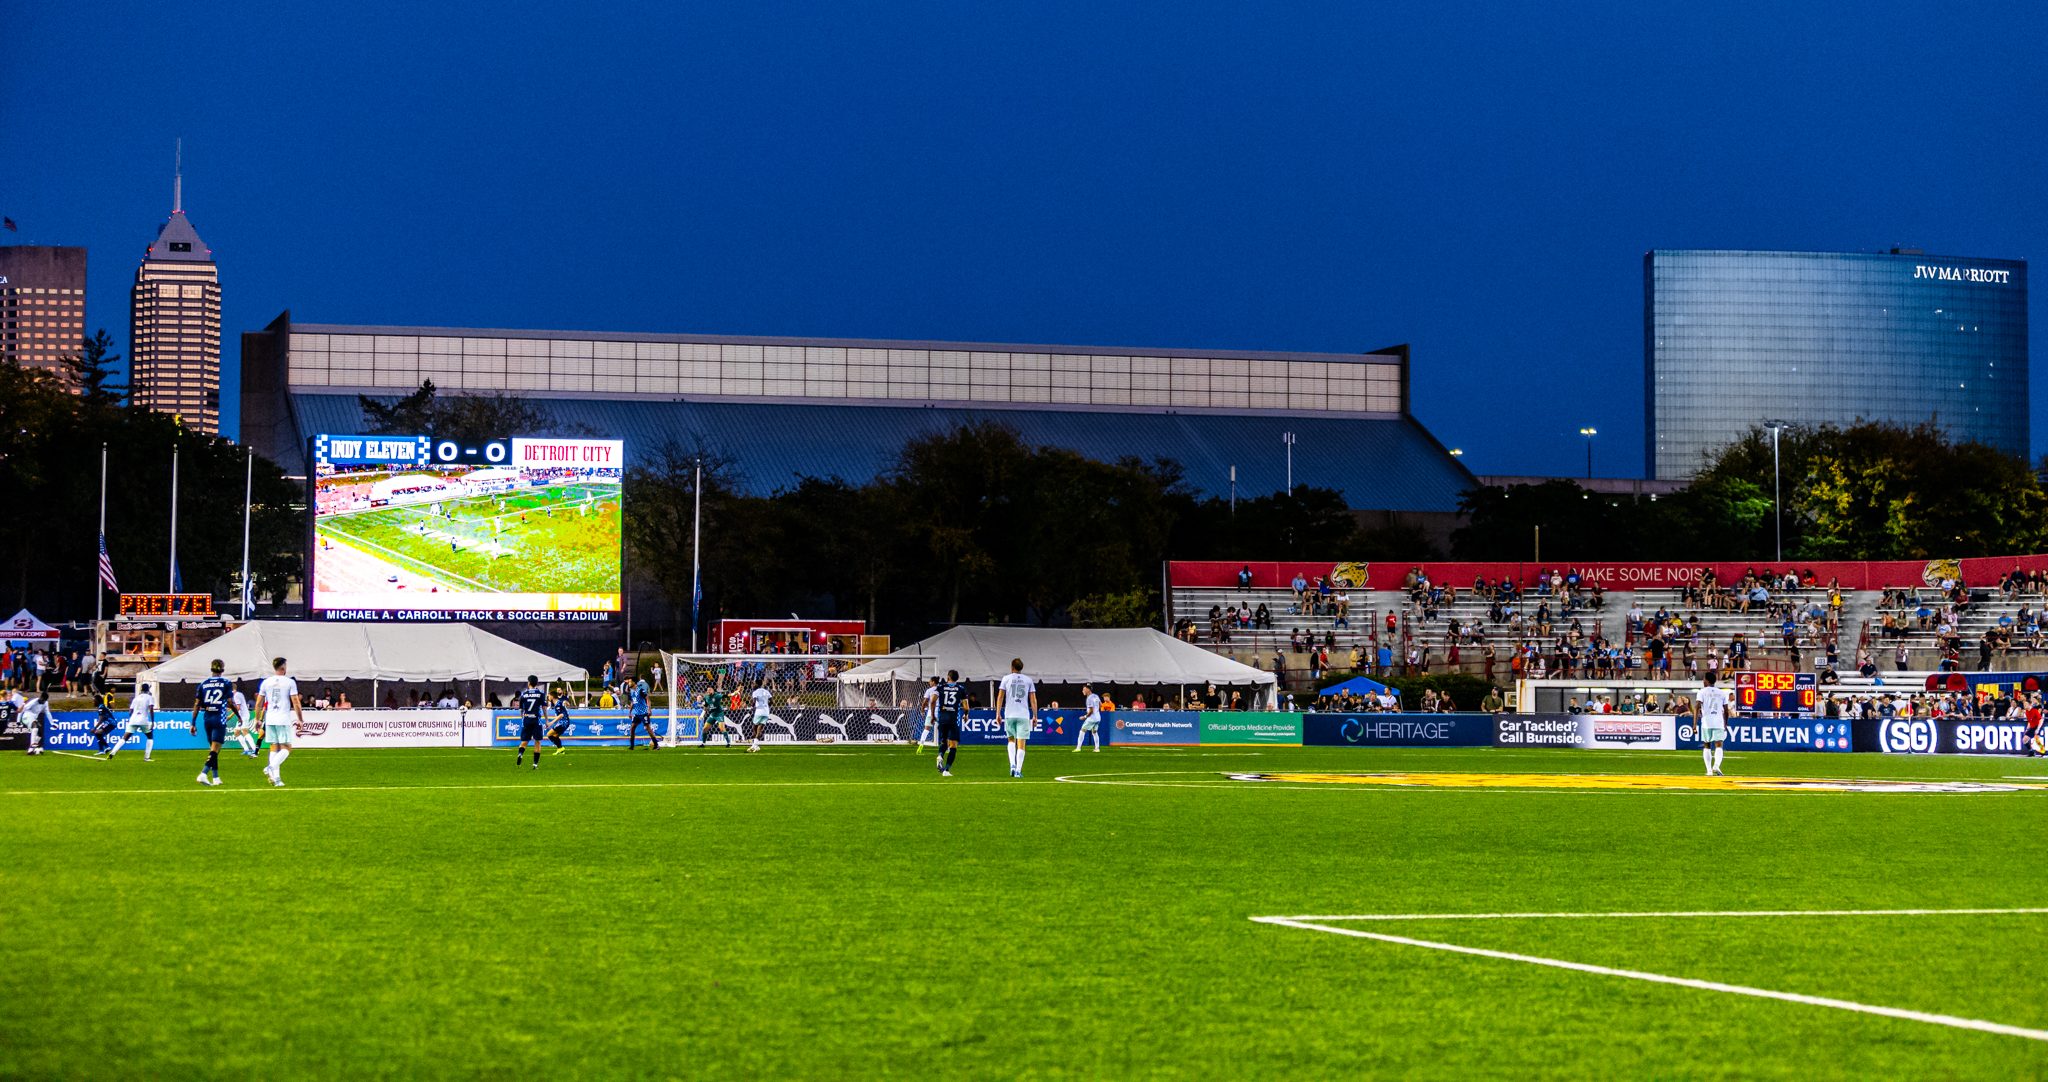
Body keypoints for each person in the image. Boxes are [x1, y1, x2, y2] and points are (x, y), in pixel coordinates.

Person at [192, 659, 241, 786]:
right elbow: (230, 702)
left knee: (213, 749)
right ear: (223, 670)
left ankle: (216, 777)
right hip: (219, 717)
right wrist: (238, 716)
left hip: (207, 717)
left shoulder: (203, 683)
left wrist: (193, 723)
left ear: (211, 669)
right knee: (215, 749)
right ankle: (203, 774)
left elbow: (197, 704)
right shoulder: (226, 683)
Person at [257, 658, 304, 787]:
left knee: (274, 747)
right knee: (287, 748)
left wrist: (257, 719)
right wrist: (300, 719)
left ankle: (276, 779)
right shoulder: (290, 682)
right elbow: (295, 701)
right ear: (283, 667)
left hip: (270, 718)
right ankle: (270, 767)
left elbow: (258, 703)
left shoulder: (266, 682)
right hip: (282, 718)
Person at [996, 657, 1037, 778]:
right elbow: (1033, 699)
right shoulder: (1028, 680)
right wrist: (1035, 715)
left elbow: (1000, 697)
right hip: (1023, 715)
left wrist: (997, 713)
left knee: (1011, 740)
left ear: (1012, 667)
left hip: (1009, 714)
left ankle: (1012, 765)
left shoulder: (1006, 679)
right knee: (1021, 743)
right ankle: (1018, 770)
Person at [1694, 672, 1731, 777]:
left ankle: (1709, 770)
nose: (1703, 681)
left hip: (1706, 722)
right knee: (1719, 745)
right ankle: (1717, 765)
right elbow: (1726, 710)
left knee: (1707, 745)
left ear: (1707, 680)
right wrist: (1725, 723)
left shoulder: (1702, 692)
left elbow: (1697, 707)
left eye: (1704, 679)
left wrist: (1694, 724)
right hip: (1718, 721)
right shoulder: (1722, 693)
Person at [109, 683, 158, 761]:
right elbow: (151, 709)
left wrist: (132, 718)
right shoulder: (150, 697)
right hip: (143, 720)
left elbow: (130, 710)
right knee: (150, 737)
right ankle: (147, 757)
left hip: (133, 719)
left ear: (141, 689)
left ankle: (112, 753)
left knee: (125, 737)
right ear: (148, 689)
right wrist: (152, 721)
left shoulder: (136, 698)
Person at [934, 668, 966, 777]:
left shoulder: (941, 687)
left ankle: (940, 755)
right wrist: (966, 715)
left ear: (948, 677)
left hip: (942, 718)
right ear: (957, 678)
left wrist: (933, 715)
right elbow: (966, 707)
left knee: (944, 742)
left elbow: (933, 700)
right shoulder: (961, 689)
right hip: (953, 719)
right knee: (953, 745)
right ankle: (946, 770)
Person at [514, 675, 548, 768]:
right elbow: (544, 708)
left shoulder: (524, 695)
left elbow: (521, 709)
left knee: (524, 741)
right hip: (536, 720)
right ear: (536, 683)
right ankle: (535, 764)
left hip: (527, 719)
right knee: (537, 741)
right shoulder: (541, 694)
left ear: (529, 683)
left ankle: (520, 753)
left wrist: (523, 718)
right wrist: (547, 720)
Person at [627, 677, 659, 750]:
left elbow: (648, 699)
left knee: (648, 728)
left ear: (634, 682)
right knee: (632, 728)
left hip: (644, 712)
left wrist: (649, 709)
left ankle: (656, 745)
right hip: (636, 713)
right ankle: (632, 746)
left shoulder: (641, 690)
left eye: (630, 682)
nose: (629, 683)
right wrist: (630, 712)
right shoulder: (632, 691)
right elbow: (633, 702)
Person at [912, 675, 940, 752]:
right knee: (944, 729)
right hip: (940, 710)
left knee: (926, 729)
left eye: (930, 681)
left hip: (931, 710)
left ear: (933, 682)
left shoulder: (929, 690)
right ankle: (947, 747)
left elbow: (925, 702)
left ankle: (921, 745)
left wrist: (922, 710)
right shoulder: (941, 689)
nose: (929, 682)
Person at [20, 690, 50, 756]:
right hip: (27, 717)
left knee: (40, 732)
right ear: (41, 698)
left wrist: (52, 723)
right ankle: (33, 745)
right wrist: (18, 720)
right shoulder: (34, 701)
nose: (43, 702)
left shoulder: (44, 703)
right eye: (43, 700)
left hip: (33, 718)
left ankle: (31, 749)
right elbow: (24, 708)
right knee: (35, 726)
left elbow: (47, 712)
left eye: (45, 700)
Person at [1075, 682, 1103, 752]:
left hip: (1092, 718)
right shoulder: (1096, 696)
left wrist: (1084, 717)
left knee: (1082, 730)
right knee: (1094, 732)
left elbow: (1091, 711)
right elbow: (1101, 705)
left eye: (1084, 689)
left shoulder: (1089, 699)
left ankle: (1078, 748)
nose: (1082, 691)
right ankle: (1097, 748)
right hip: (1098, 718)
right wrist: (1096, 711)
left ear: (1088, 689)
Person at [546, 687, 573, 755]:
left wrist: (551, 722)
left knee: (549, 734)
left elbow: (561, 715)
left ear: (552, 696)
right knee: (555, 736)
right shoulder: (557, 703)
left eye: (549, 696)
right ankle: (560, 750)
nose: (548, 697)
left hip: (563, 722)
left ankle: (560, 748)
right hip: (565, 722)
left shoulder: (558, 704)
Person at [748, 682, 772, 752]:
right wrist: (766, 706)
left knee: (755, 728)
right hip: (766, 712)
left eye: (753, 684)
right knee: (759, 728)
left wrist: (751, 708)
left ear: (757, 684)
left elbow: (754, 701)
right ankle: (756, 745)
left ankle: (754, 745)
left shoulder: (755, 692)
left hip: (759, 711)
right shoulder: (767, 691)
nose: (752, 685)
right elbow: (771, 702)